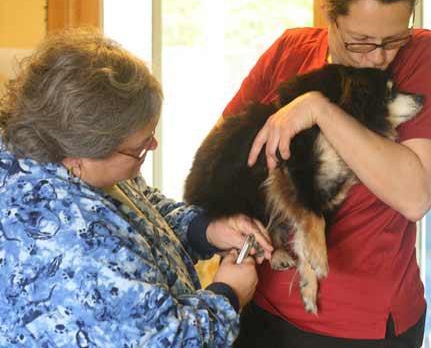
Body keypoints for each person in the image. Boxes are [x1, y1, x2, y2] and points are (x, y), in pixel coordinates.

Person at [0, 29, 273, 347]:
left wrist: (205, 229)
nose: (153, 145)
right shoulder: (67, 242)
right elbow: (164, 341)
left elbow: (136, 207)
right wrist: (228, 295)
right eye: (140, 147)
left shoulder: (56, 154)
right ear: (81, 155)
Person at [222, 0, 431, 347]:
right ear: (330, 18)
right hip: (261, 302)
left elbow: (416, 195)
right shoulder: (291, 50)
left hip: (360, 325)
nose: (379, 58)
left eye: (394, 38)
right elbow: (226, 150)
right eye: (360, 41)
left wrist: (318, 110)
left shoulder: (424, 57)